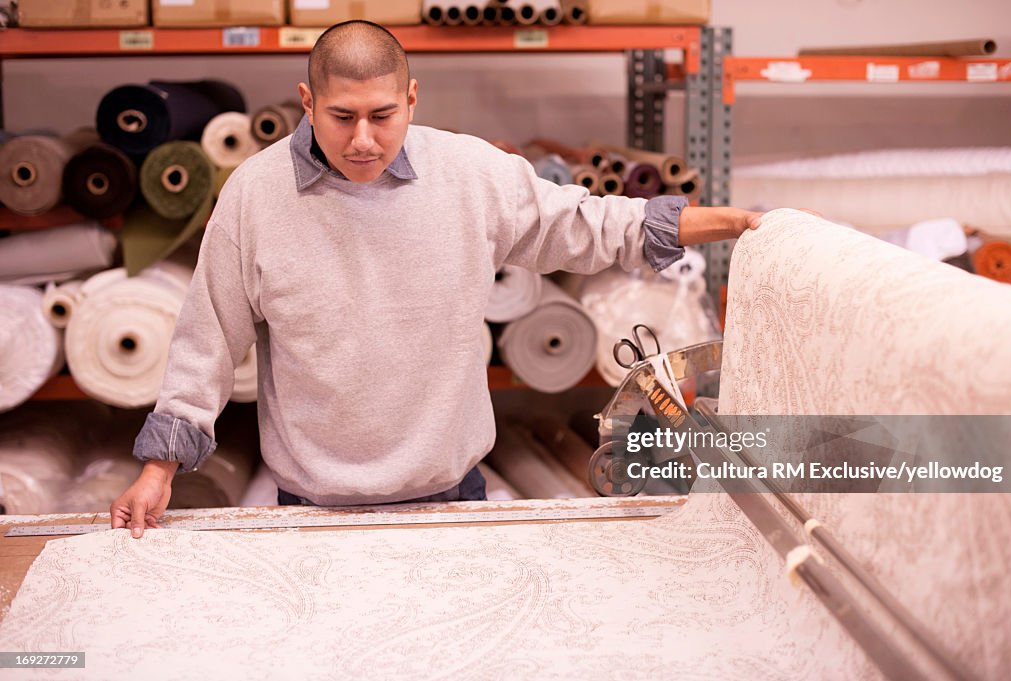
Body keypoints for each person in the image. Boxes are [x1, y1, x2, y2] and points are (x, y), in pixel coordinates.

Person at [111, 20, 762, 537]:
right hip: (311, 508)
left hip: (453, 498)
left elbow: (597, 225)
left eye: (383, 115)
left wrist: (737, 221)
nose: (363, 138)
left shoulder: (471, 175)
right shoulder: (255, 195)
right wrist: (158, 469)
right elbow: (207, 340)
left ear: (413, 99)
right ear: (307, 102)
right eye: (341, 117)